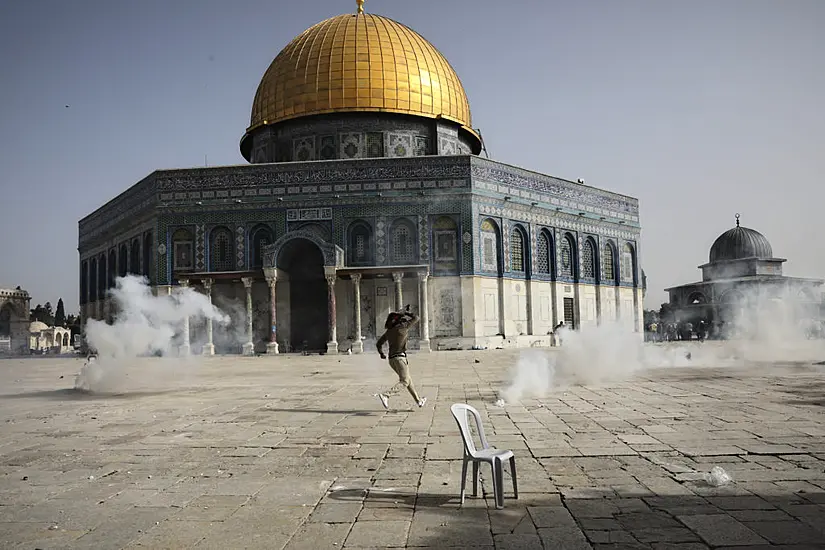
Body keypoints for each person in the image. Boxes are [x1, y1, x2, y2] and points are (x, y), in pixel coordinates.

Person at [375, 304, 427, 409]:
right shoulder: (403, 327)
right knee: (404, 381)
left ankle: (418, 401)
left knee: (408, 380)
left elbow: (378, 343)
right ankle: (386, 395)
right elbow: (416, 318)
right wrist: (405, 312)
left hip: (392, 359)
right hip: (400, 358)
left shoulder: (389, 331)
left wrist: (381, 353)